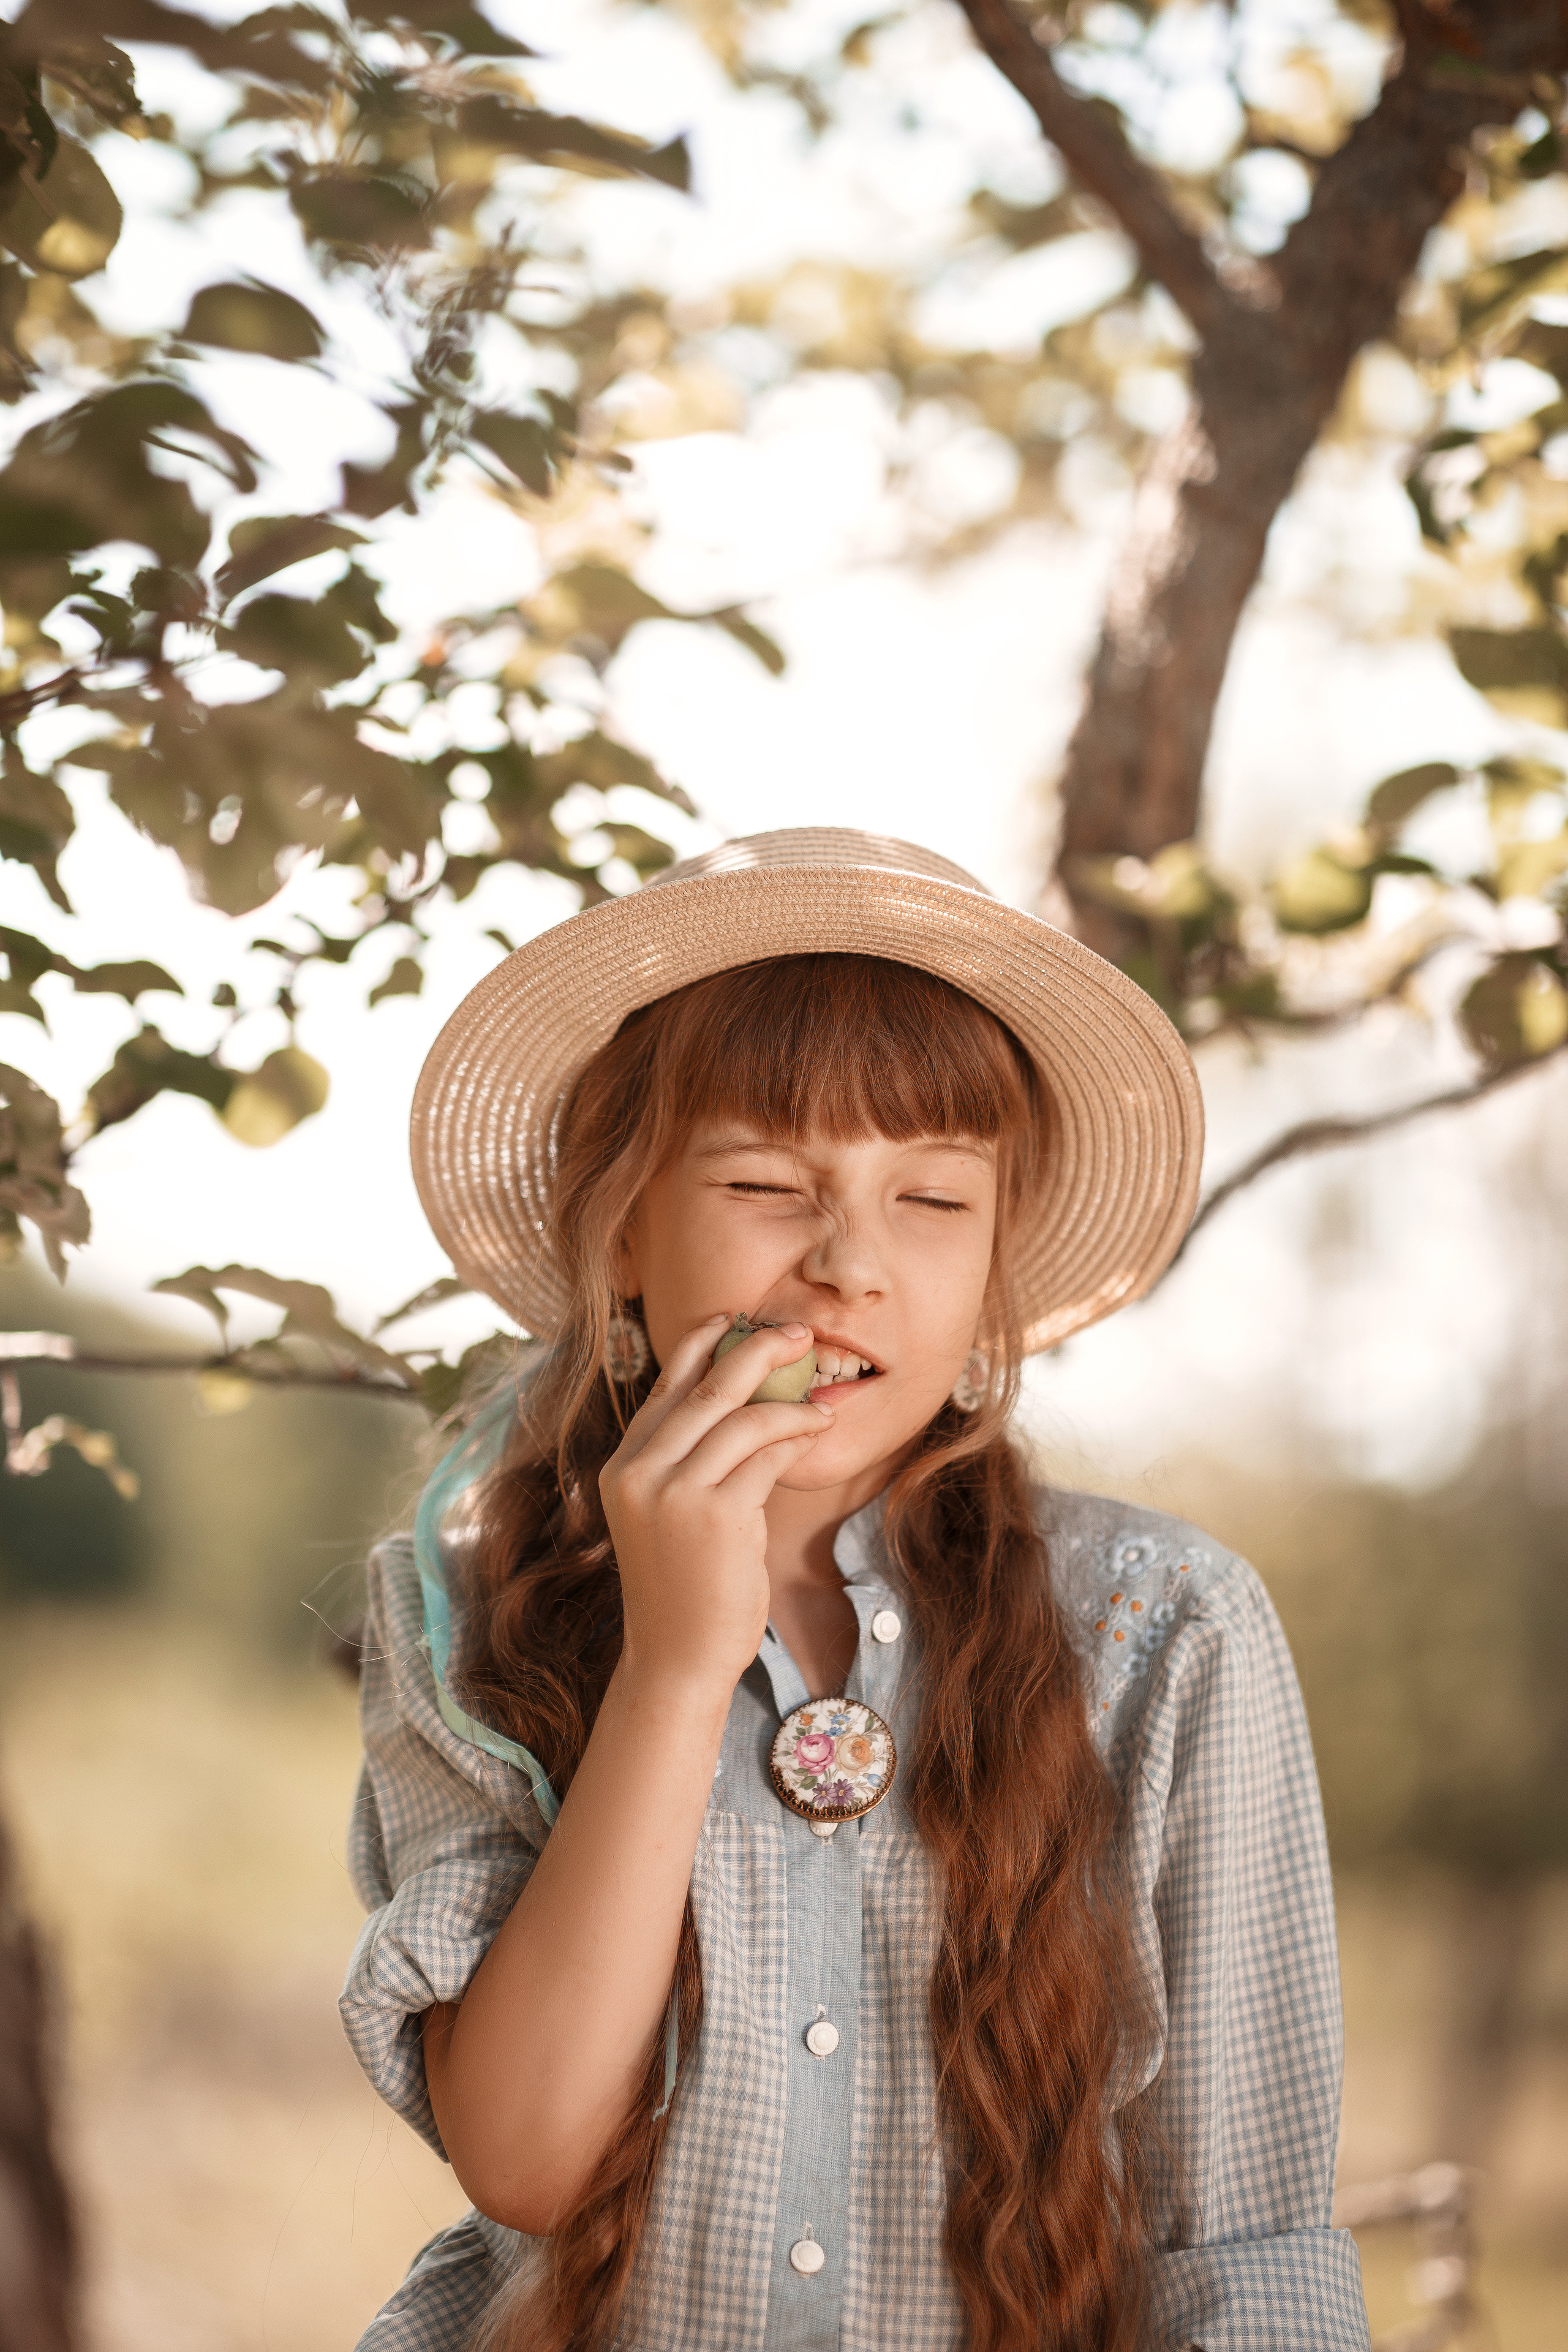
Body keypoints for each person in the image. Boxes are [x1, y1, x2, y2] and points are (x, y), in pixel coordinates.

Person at [341, 829, 1371, 2352]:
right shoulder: (467, 1606)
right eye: (767, 1182)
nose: (851, 1267)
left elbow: (1242, 2245)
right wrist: (676, 1670)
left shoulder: (1166, 1630)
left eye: (932, 1201)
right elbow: (527, 2158)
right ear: (622, 1231)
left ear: (991, 1266)